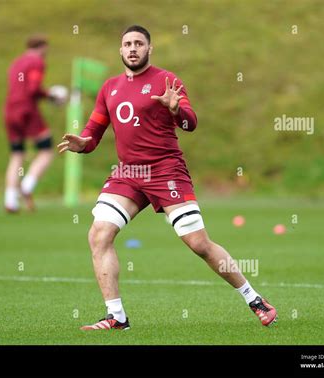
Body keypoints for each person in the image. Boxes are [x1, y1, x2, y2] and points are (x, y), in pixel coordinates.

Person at [57, 25, 277, 330]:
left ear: (150, 49)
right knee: (99, 234)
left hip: (165, 170)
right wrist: (82, 144)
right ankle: (116, 317)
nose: (133, 48)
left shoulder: (167, 80)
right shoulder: (109, 87)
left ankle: (254, 298)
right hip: (129, 173)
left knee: (199, 244)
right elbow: (93, 134)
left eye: (139, 43)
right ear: (120, 51)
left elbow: (191, 124)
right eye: (127, 44)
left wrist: (177, 110)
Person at [3, 34, 64, 212]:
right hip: (26, 110)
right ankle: (27, 186)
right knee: (46, 150)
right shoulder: (37, 62)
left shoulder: (16, 62)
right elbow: (33, 89)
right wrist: (52, 96)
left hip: (9, 111)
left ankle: (10, 201)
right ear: (43, 47)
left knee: (17, 155)